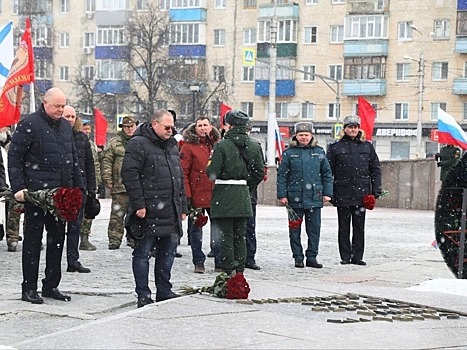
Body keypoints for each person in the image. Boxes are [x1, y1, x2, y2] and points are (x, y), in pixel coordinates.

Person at [9, 87, 84, 304]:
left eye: (63, 106)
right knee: (33, 243)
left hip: (61, 196)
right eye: (57, 106)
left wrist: (78, 188)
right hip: (35, 195)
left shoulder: (64, 127)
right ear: (45, 103)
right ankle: (29, 288)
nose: (61, 110)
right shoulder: (29, 124)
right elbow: (15, 158)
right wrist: (19, 188)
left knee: (57, 241)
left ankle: (51, 285)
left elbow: (73, 159)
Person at [121, 109, 187, 308]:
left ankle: (164, 290)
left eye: (172, 127)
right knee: (142, 254)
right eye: (166, 127)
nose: (170, 131)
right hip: (148, 210)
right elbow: (129, 174)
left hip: (170, 210)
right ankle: (143, 293)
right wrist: (139, 204)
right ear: (154, 124)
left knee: (167, 253)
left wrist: (183, 206)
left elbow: (179, 178)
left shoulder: (172, 145)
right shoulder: (138, 144)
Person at [206, 110, 264, 275]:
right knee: (241, 236)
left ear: (228, 125)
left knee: (226, 237)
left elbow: (212, 172)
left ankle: (228, 272)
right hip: (243, 196)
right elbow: (259, 172)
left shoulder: (221, 145)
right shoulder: (254, 145)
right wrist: (245, 186)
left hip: (224, 196)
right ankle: (240, 272)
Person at [327, 115, 382, 266]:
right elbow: (328, 172)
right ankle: (345, 256)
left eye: (355, 127)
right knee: (343, 227)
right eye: (350, 127)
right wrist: (328, 192)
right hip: (342, 192)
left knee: (359, 227)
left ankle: (357, 256)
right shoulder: (335, 147)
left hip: (361, 193)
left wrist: (376, 190)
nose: (353, 130)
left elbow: (375, 170)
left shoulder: (367, 147)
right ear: (344, 129)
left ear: (359, 129)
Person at [277, 122, 333, 269]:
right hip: (294, 197)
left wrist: (328, 193)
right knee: (294, 230)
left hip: (315, 197)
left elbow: (327, 174)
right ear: (296, 136)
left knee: (314, 230)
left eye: (306, 135)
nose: (303, 137)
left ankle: (312, 257)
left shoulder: (319, 152)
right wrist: (282, 195)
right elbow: (282, 176)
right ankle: (298, 257)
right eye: (301, 135)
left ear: (311, 135)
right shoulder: (289, 153)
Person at [180, 116, 222, 273]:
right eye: (200, 125)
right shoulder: (188, 146)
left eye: (206, 125)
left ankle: (219, 260)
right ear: (195, 128)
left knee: (218, 230)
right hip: (196, 193)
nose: (203, 128)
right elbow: (183, 172)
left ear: (211, 127)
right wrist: (187, 194)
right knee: (196, 230)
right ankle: (198, 261)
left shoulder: (218, 145)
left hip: (216, 194)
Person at [62, 106, 96, 273]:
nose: (70, 119)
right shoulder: (54, 135)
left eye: (73, 116)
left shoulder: (82, 139)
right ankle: (54, 261)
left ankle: (73, 260)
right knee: (58, 228)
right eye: (67, 116)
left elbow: (90, 165)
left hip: (78, 188)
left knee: (75, 227)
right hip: (60, 188)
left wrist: (92, 189)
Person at [101, 116, 137, 250]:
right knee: (117, 215)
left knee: (134, 215)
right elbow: (106, 161)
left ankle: (133, 238)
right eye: (126, 127)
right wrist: (107, 179)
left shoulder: (139, 142)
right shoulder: (115, 142)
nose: (129, 129)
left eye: (131, 126)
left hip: (136, 186)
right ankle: (114, 239)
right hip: (119, 185)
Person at [244, 120, 267, 270]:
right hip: (231, 194)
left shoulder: (255, 146)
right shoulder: (225, 145)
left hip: (249, 194)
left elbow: (260, 170)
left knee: (250, 228)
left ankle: (250, 257)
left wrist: (248, 186)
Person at [79, 121, 102, 250]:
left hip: (91, 182)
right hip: (80, 181)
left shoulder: (91, 144)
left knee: (90, 211)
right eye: (85, 128)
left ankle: (84, 237)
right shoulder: (77, 141)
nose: (87, 131)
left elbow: (95, 165)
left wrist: (97, 182)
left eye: (88, 129)